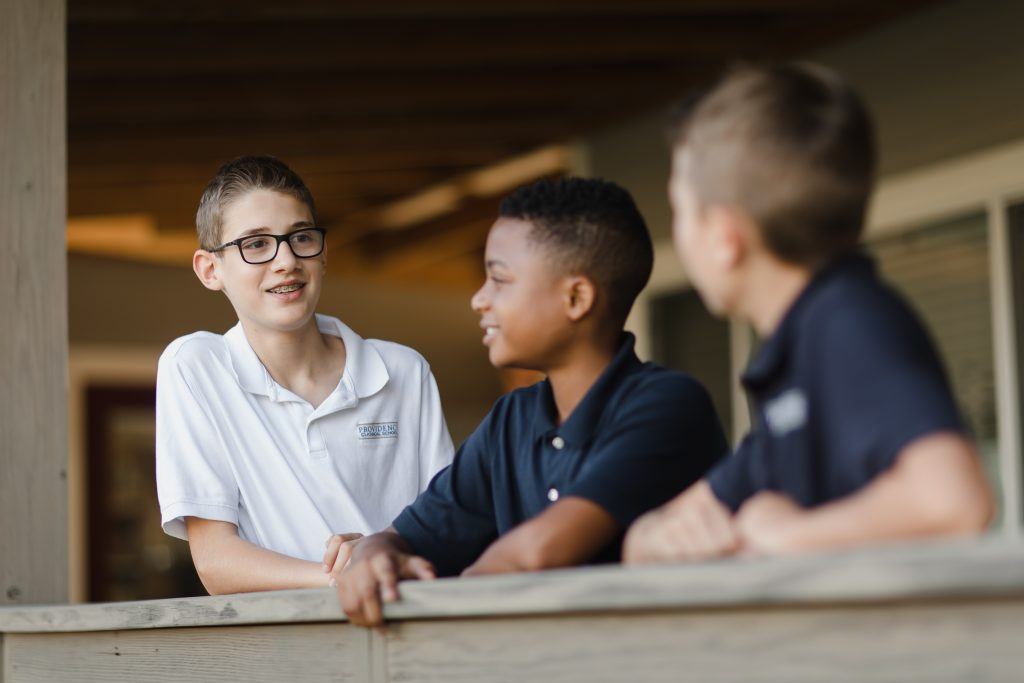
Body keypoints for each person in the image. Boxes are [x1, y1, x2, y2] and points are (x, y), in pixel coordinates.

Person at [623, 63, 993, 565]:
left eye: (681, 211)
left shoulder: (846, 319)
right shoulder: (792, 357)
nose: (678, 233)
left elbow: (954, 502)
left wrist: (784, 534)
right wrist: (659, 537)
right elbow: (647, 537)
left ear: (725, 239)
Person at [333, 177, 729, 626]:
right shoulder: (512, 419)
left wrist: (434, 600)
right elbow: (404, 538)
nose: (479, 299)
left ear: (576, 298)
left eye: (499, 279)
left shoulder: (667, 406)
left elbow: (537, 555)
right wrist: (373, 557)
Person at [156, 155, 454, 594]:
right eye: (255, 244)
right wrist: (349, 576)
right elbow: (217, 563)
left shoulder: (403, 370)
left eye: (301, 236)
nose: (287, 260)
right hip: (286, 649)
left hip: (405, 629)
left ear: (323, 251)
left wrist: (380, 560)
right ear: (210, 269)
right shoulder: (195, 366)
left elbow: (447, 526)